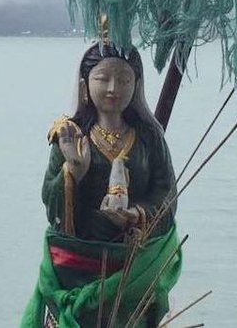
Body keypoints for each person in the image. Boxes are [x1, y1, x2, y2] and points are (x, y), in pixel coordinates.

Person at [21, 40, 181, 328]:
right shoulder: (70, 135)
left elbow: (166, 194)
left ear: (137, 85)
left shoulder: (149, 137)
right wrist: (73, 171)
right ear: (85, 85)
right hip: (79, 262)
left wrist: (136, 215)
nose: (112, 88)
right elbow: (51, 204)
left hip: (133, 263)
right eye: (102, 78)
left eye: (124, 80)